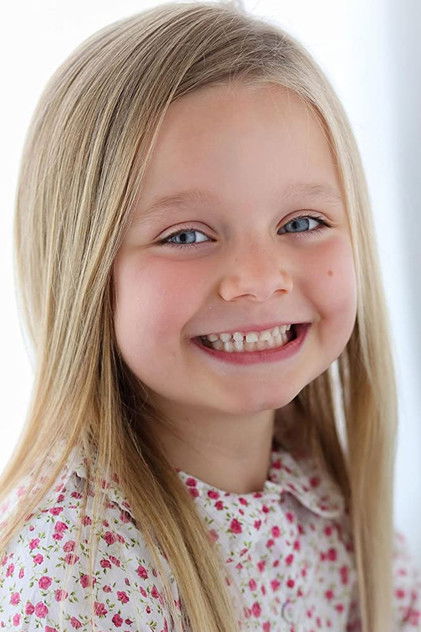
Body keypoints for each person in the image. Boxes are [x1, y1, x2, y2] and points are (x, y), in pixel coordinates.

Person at [0, 1, 420, 630]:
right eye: (187, 236)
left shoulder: (320, 498)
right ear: (84, 271)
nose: (260, 279)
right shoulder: (74, 581)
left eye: (302, 223)